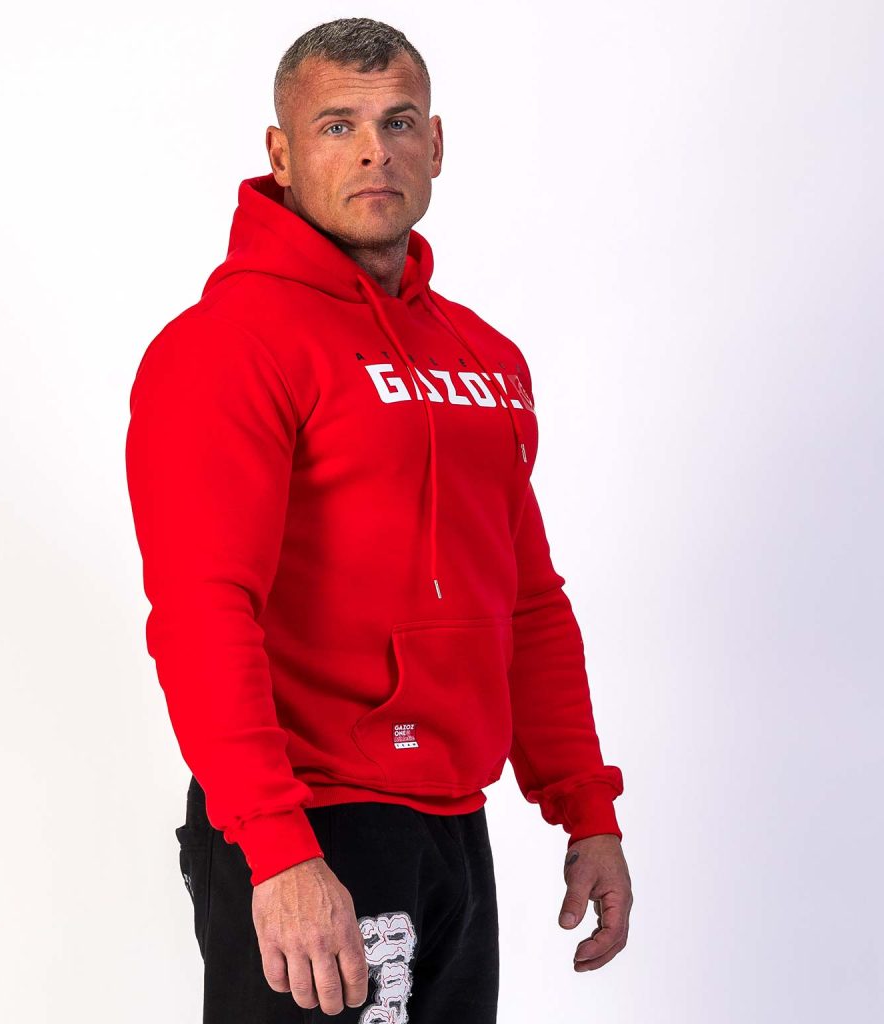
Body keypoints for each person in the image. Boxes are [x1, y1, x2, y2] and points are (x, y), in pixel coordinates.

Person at [124, 16, 632, 1023]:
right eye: (337, 125)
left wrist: (587, 807)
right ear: (280, 153)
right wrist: (278, 849)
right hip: (311, 820)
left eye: (398, 122)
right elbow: (203, 610)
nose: (373, 151)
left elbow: (528, 599)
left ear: (434, 144)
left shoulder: (482, 356)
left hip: (452, 823)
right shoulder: (227, 346)